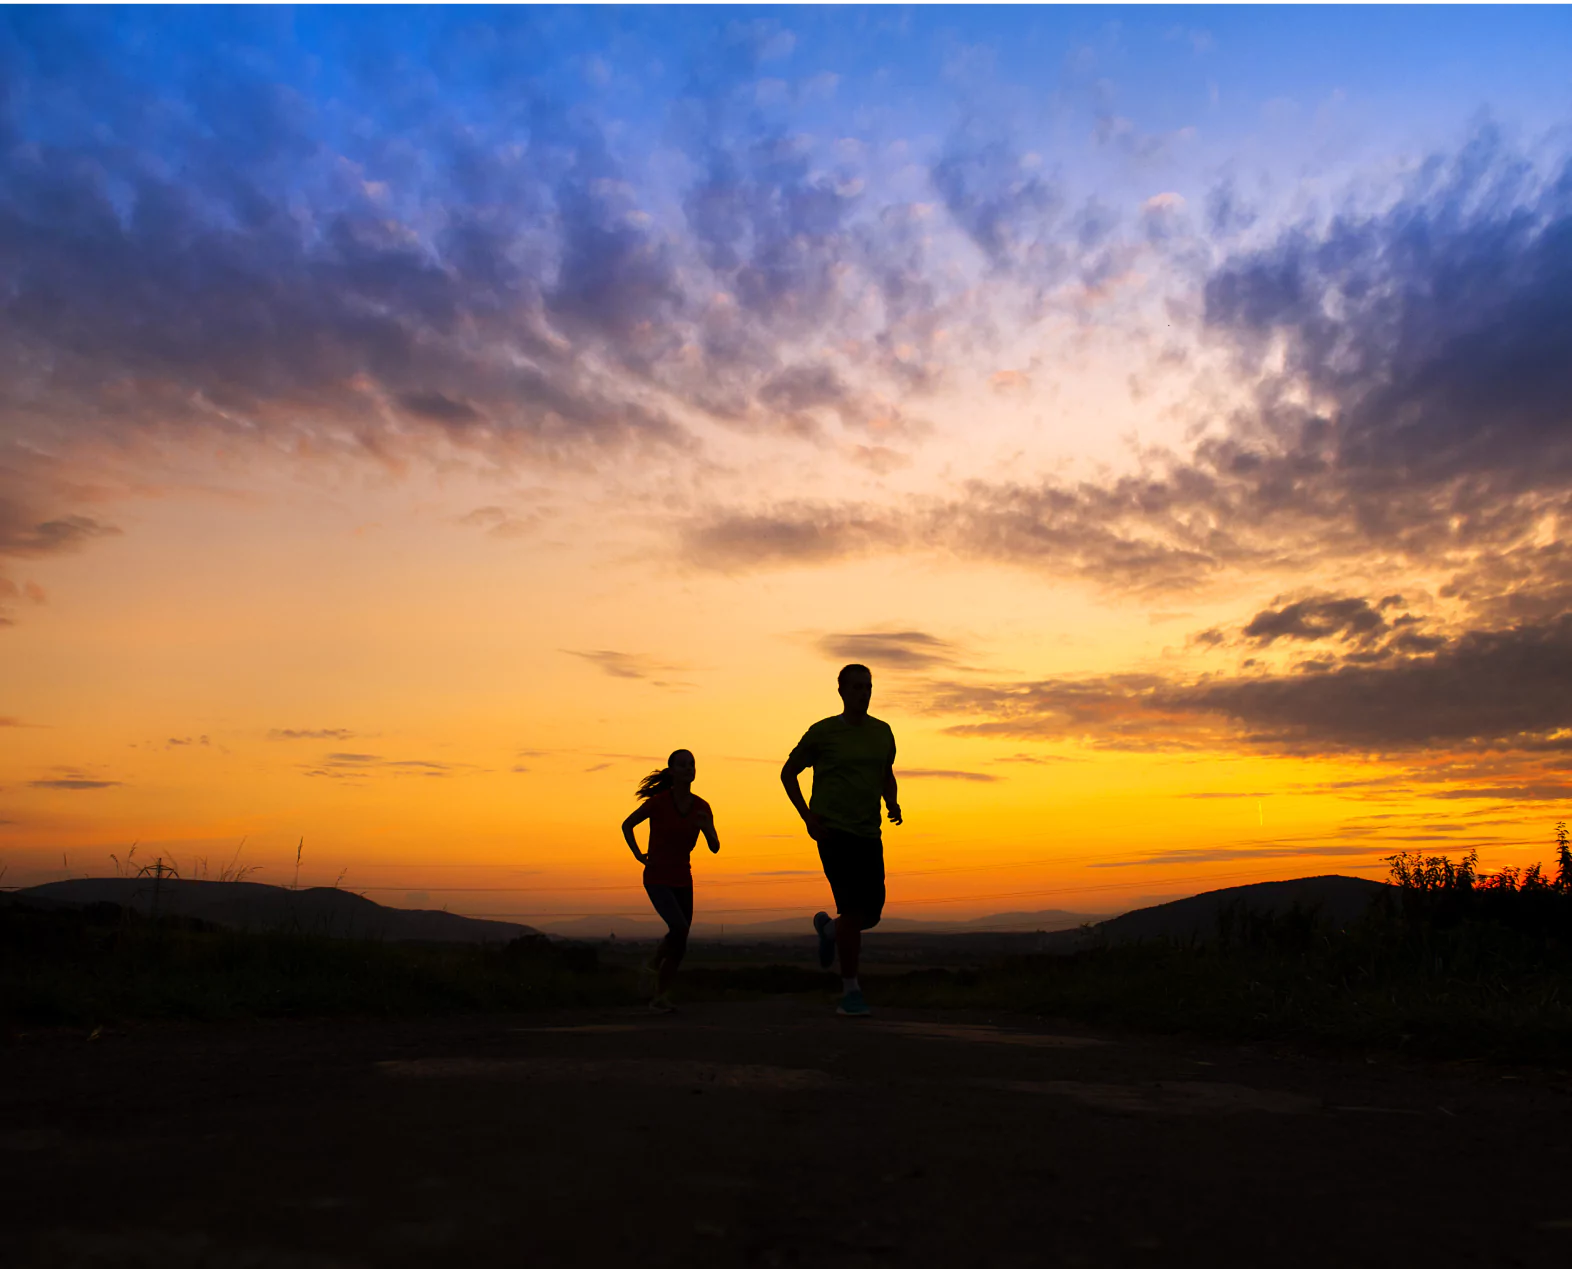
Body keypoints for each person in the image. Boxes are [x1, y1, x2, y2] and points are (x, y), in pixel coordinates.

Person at [781, 664, 901, 1017]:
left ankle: (830, 932)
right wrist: (807, 817)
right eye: (857, 687)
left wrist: (891, 801)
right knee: (851, 910)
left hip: (869, 832)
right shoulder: (823, 733)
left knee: (870, 914)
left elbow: (886, 774)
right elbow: (788, 774)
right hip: (833, 831)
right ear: (841, 691)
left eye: (868, 687)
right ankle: (851, 992)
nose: (863, 693)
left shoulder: (882, 732)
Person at [621, 748, 719, 1012]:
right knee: (678, 927)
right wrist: (637, 854)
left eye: (693, 764)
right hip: (657, 877)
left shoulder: (702, 807)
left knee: (681, 940)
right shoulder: (659, 802)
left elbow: (714, 846)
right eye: (684, 765)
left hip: (683, 879)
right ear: (672, 771)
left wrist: (707, 827)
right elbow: (627, 825)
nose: (689, 768)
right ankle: (652, 964)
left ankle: (659, 997)